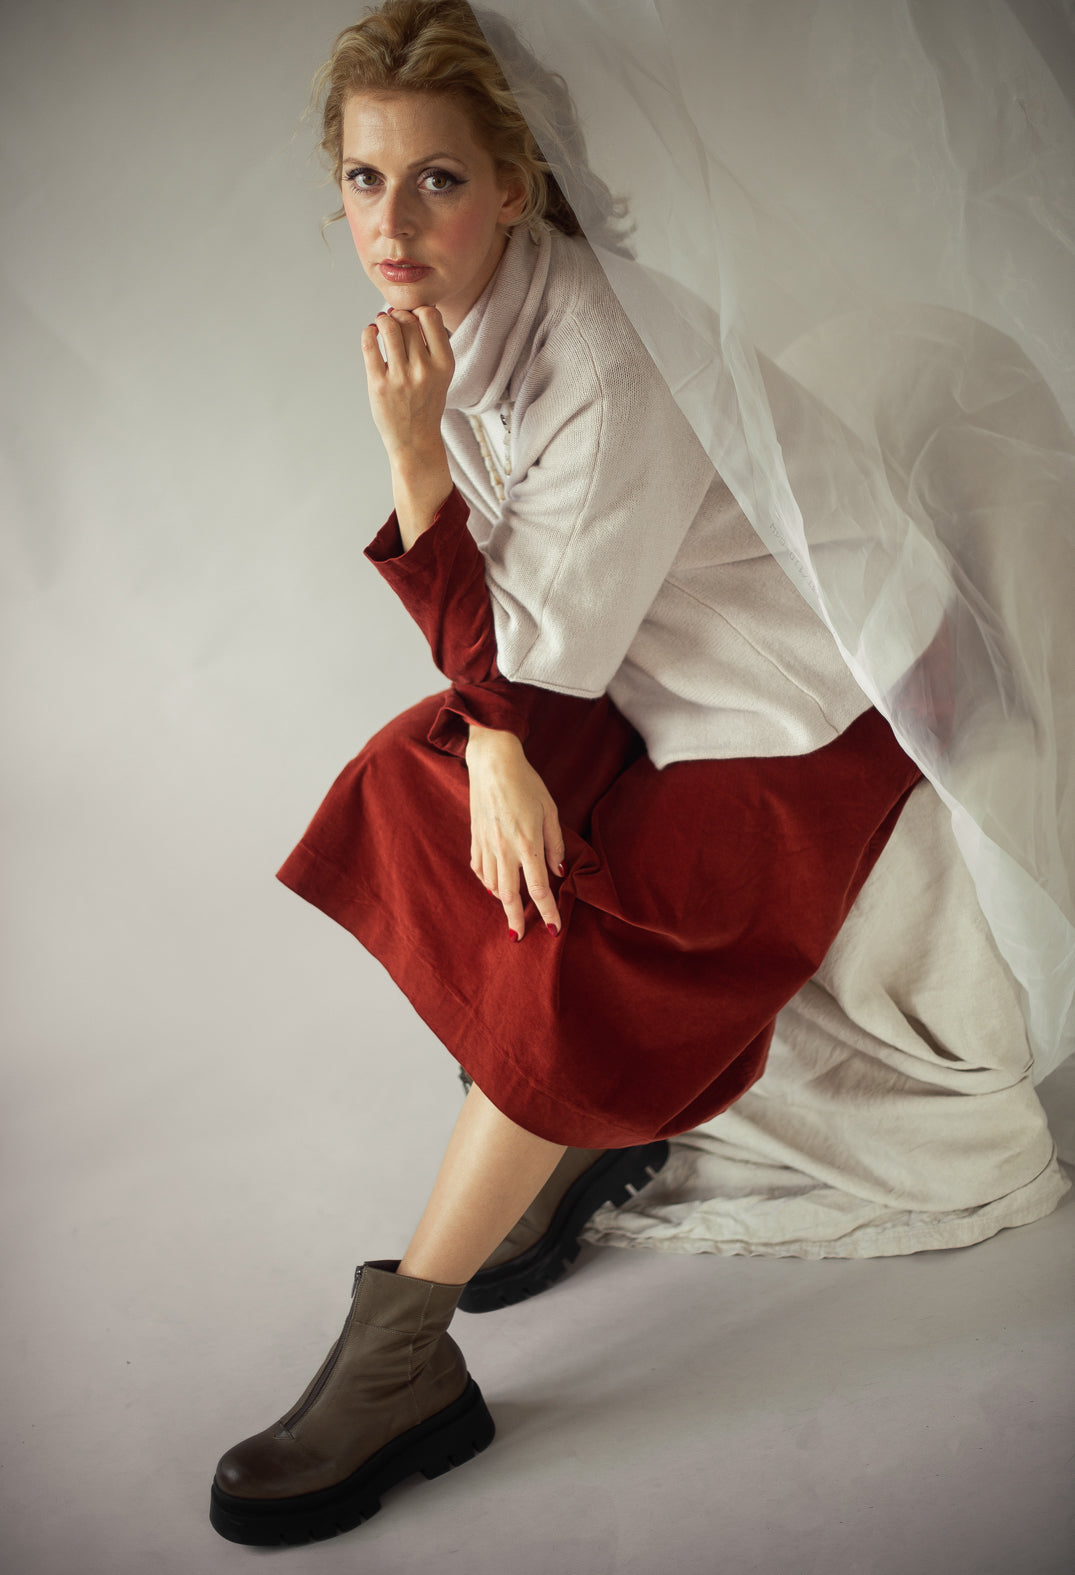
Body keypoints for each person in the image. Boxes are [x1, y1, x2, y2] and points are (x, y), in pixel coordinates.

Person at [209, 0, 923, 1546]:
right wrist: (498, 746)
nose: (391, 225)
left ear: (515, 186)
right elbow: (514, 659)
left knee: (567, 932)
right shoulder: (471, 313)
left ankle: (405, 1356)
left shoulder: (598, 348)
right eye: (361, 179)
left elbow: (525, 660)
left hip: (799, 706)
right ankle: (563, 1136)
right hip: (634, 660)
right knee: (423, 782)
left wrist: (416, 476)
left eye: (438, 181)